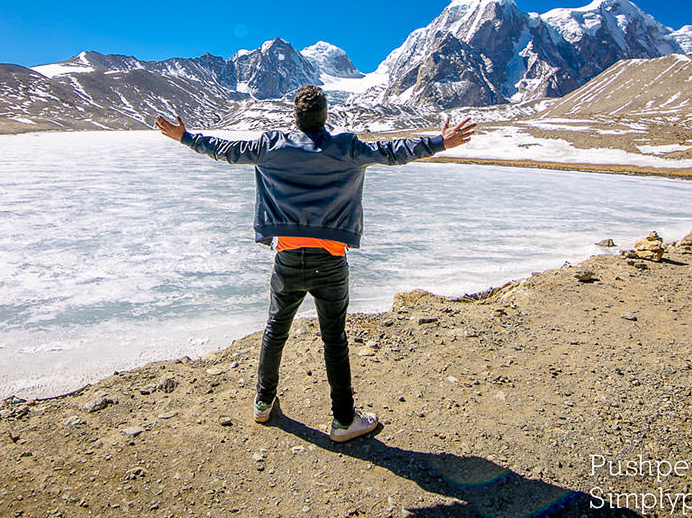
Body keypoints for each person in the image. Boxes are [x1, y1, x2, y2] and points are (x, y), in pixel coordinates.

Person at [155, 85, 475, 442]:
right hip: (331, 260)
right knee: (333, 339)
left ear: (296, 115)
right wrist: (439, 142)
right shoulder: (347, 148)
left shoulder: (270, 146)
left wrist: (185, 137)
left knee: (276, 329)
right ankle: (343, 421)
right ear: (326, 115)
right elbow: (392, 152)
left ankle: (263, 403)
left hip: (287, 257)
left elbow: (225, 150)